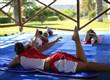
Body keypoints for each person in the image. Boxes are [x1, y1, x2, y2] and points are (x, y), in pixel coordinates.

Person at [8, 27, 110, 73]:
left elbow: (10, 65)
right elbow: (45, 47)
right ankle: (77, 41)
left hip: (55, 62)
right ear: (23, 47)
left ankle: (77, 41)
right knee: (83, 61)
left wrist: (18, 59)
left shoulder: (19, 58)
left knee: (86, 66)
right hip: (55, 59)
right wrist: (55, 41)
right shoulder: (31, 50)